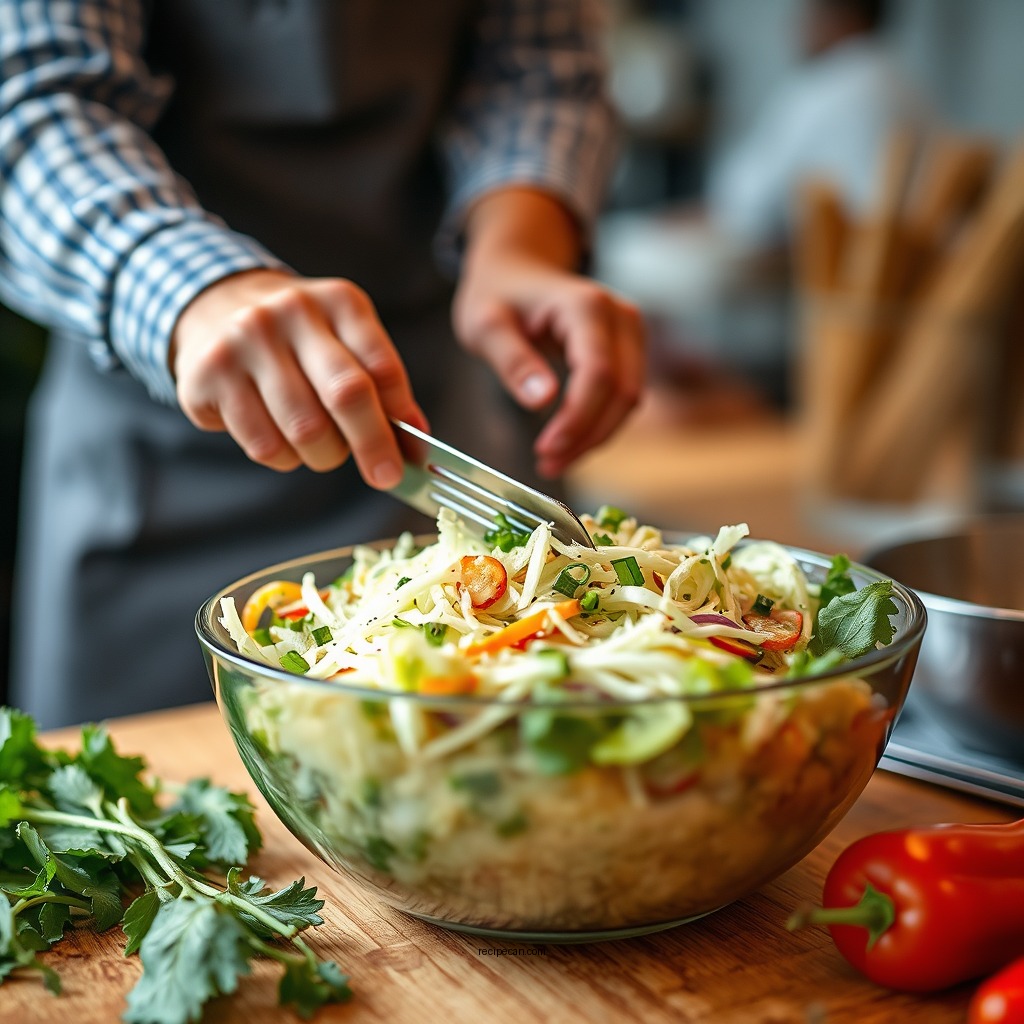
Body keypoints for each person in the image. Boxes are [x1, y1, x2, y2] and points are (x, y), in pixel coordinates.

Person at [0, 0, 644, 729]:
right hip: (152, 462)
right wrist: (194, 287)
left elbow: (538, 65)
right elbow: (30, 99)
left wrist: (518, 243)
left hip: (443, 414)